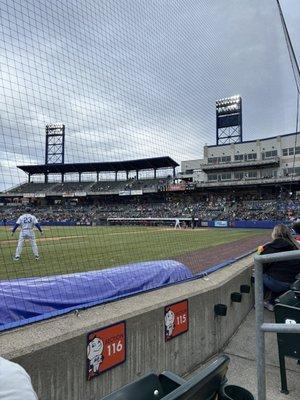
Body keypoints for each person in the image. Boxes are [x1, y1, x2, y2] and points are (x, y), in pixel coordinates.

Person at [257, 224, 300, 311]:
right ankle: (271, 302)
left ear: (275, 233)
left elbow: (259, 263)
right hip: (292, 283)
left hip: (278, 283)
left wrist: (260, 251)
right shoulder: (296, 245)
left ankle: (258, 303)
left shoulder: (270, 246)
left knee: (258, 274)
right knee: (278, 274)